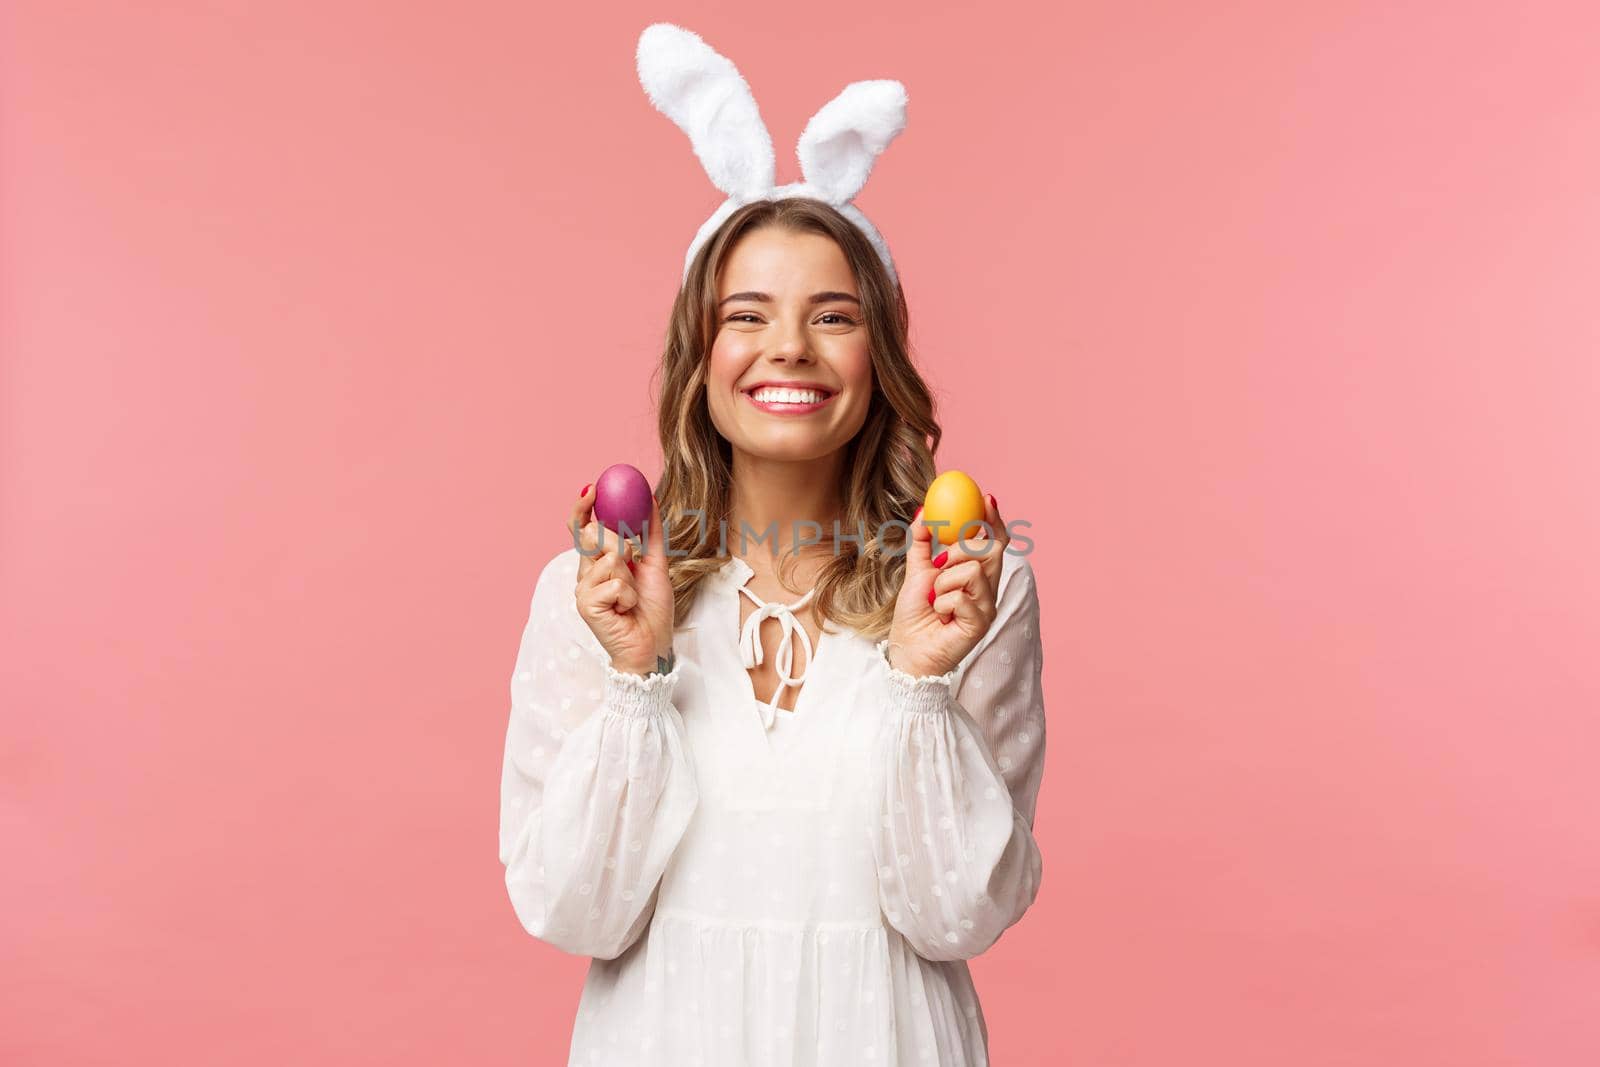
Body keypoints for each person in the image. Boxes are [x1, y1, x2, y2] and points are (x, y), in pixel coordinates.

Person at [497, 24, 1046, 1066]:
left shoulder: (971, 589)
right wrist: (637, 672)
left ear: (878, 356)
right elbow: (575, 911)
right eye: (746, 313)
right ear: (699, 355)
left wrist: (922, 679)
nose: (788, 345)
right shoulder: (599, 594)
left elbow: (955, 915)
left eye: (832, 315)